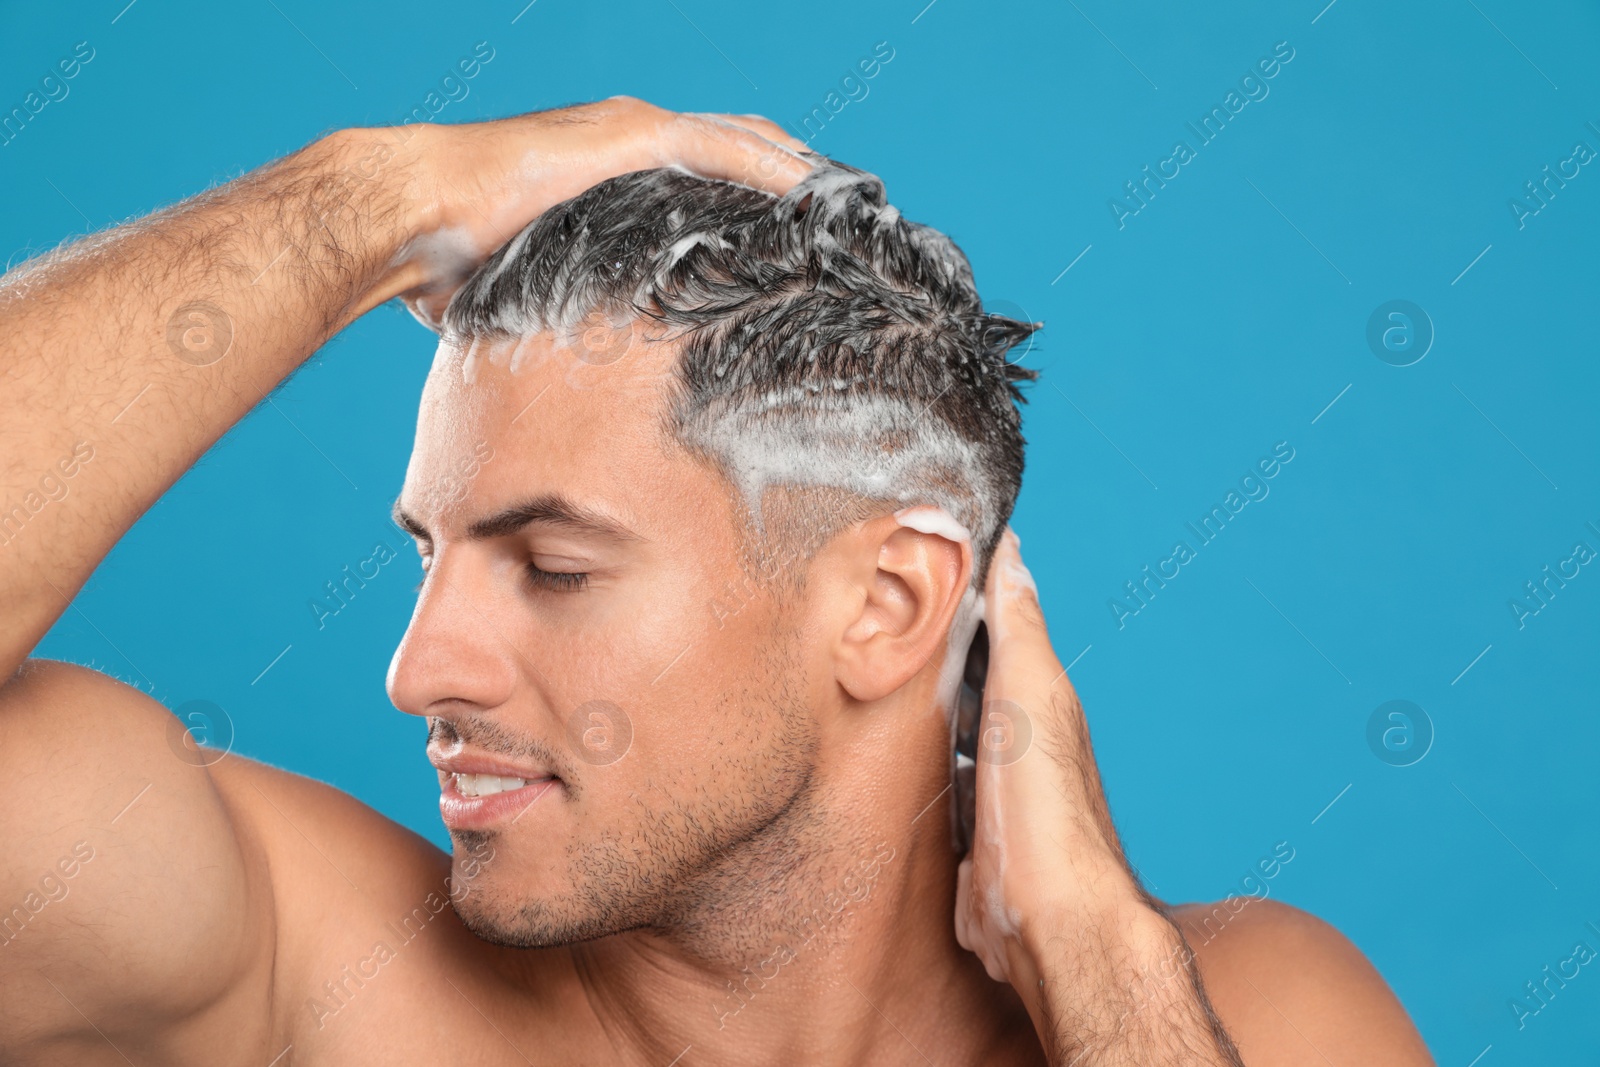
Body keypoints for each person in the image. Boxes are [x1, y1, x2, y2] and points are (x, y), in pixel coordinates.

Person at [0, 98, 1432, 1065]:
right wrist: (379, 192)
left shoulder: (1259, 1014)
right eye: (434, 558)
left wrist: (1105, 975)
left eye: (552, 567)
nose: (417, 671)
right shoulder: (300, 978)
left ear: (885, 606)